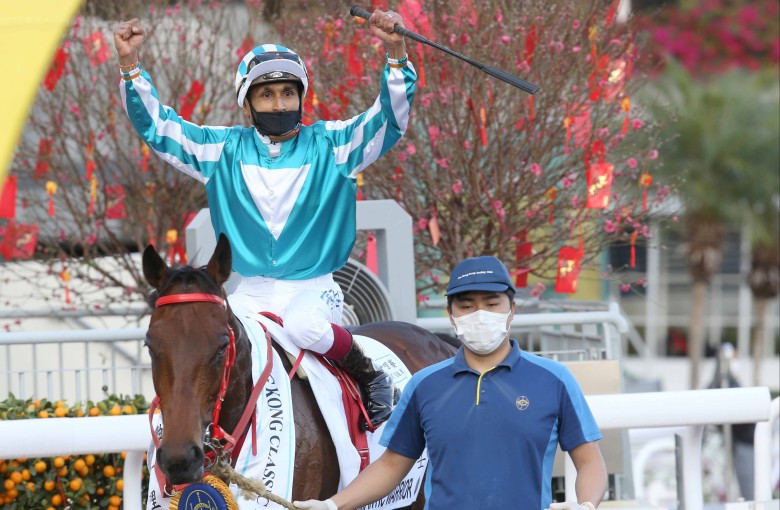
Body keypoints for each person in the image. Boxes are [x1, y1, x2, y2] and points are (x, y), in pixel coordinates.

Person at [113, 10, 416, 429]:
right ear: (248, 103)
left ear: (300, 97)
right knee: (212, 344)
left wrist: (396, 54)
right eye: (267, 95)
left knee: (305, 326)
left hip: (313, 289)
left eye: (288, 94)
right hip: (249, 293)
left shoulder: (336, 146)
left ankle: (370, 376)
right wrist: (131, 67)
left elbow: (390, 119)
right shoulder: (221, 150)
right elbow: (160, 128)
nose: (279, 103)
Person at [294, 256, 608, 510]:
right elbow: (391, 465)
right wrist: (333, 505)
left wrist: (585, 505)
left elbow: (590, 461)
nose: (480, 314)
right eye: (467, 305)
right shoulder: (425, 384)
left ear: (512, 310)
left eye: (492, 303)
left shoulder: (554, 379)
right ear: (451, 314)